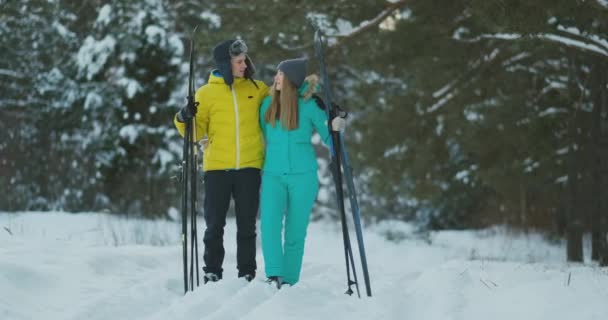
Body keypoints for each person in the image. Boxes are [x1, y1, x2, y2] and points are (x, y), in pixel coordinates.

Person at [174, 39, 269, 283]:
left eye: (245, 60)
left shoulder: (257, 89)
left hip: (249, 166)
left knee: (247, 226)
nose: (244, 65)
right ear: (226, 64)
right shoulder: (206, 93)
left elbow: (280, 107)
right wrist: (184, 117)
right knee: (214, 225)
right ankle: (212, 271)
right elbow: (194, 133)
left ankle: (246, 272)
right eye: (239, 62)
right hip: (217, 168)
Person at [259, 58, 346, 288]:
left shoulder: (309, 105)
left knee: (295, 231)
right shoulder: (267, 105)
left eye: (281, 74)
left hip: (304, 177)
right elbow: (254, 135)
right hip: (272, 176)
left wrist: (336, 128)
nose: (276, 78)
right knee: (269, 225)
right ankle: (274, 274)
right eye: (277, 73)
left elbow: (330, 138)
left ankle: (289, 280)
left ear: (292, 80)